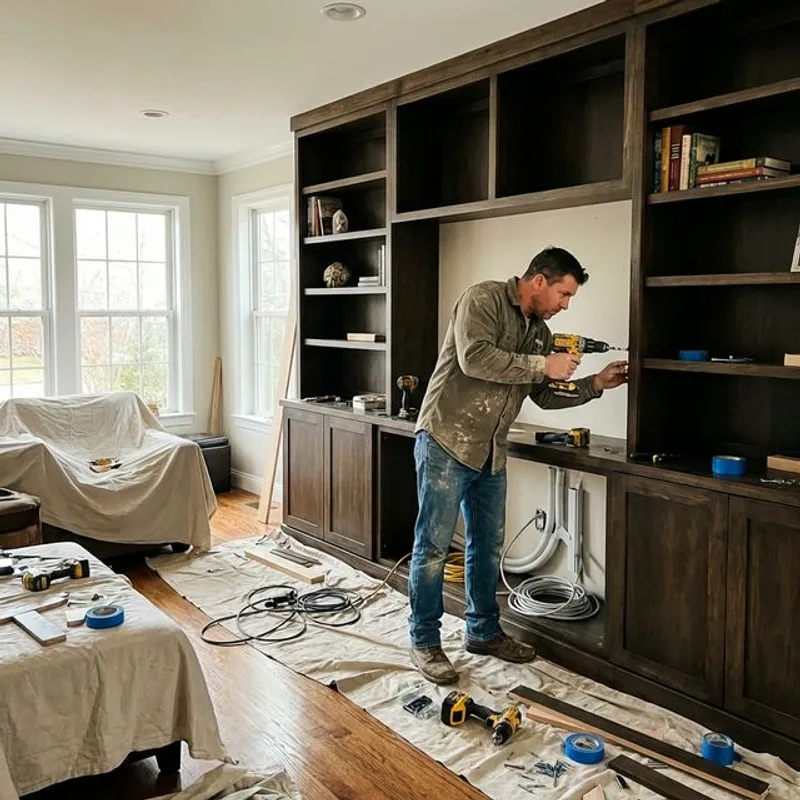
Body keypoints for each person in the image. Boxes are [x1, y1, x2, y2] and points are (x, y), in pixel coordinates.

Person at [408, 246, 628, 684]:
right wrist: (542, 363)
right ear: (540, 280)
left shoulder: (542, 334)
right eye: (564, 294)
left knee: (487, 547)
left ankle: (483, 631)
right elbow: (476, 358)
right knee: (433, 548)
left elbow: (543, 393)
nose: (565, 306)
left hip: (491, 451)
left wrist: (594, 384)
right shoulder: (483, 299)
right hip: (446, 440)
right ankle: (425, 641)